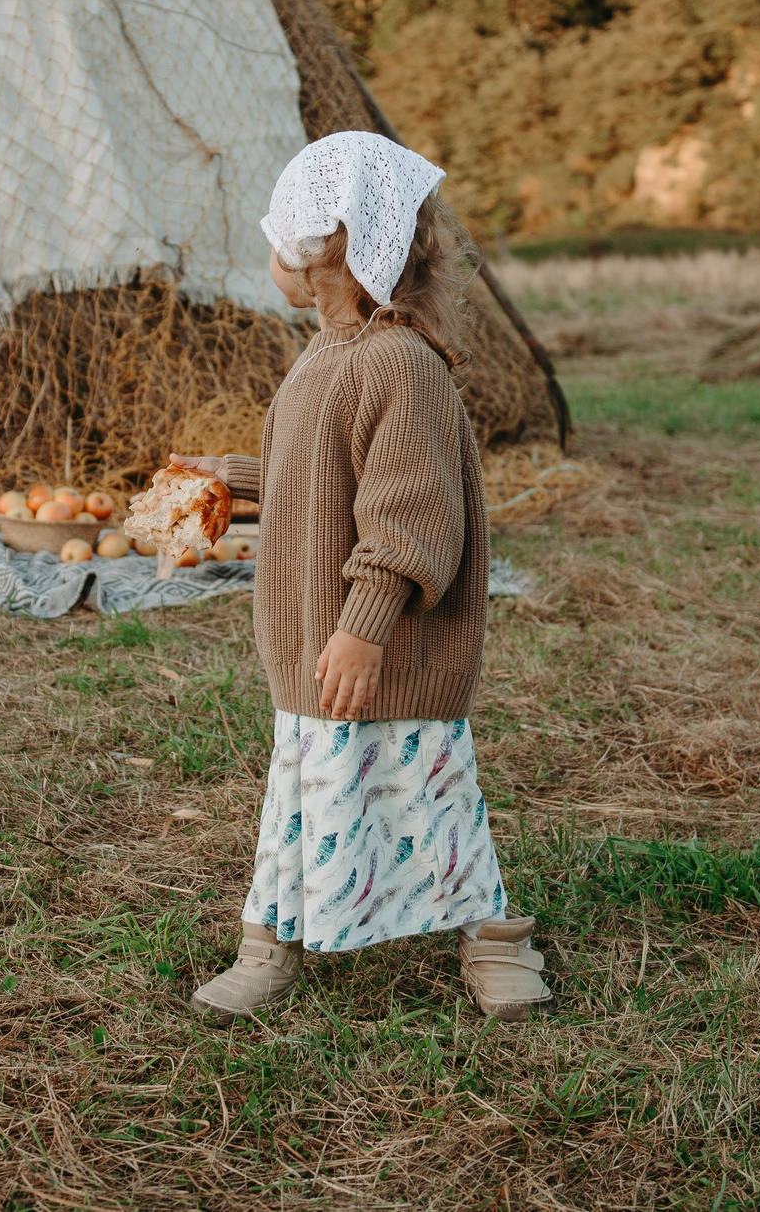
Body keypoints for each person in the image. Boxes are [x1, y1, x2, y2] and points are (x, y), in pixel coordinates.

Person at [178, 132, 551, 1022]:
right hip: (314, 642)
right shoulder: (327, 356)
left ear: (330, 249)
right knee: (305, 799)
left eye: (281, 238)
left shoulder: (399, 366)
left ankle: (493, 937)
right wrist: (228, 476)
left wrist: (366, 622)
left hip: (381, 649)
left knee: (428, 794)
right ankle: (271, 940)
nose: (271, 254)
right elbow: (314, 474)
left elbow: (412, 513)